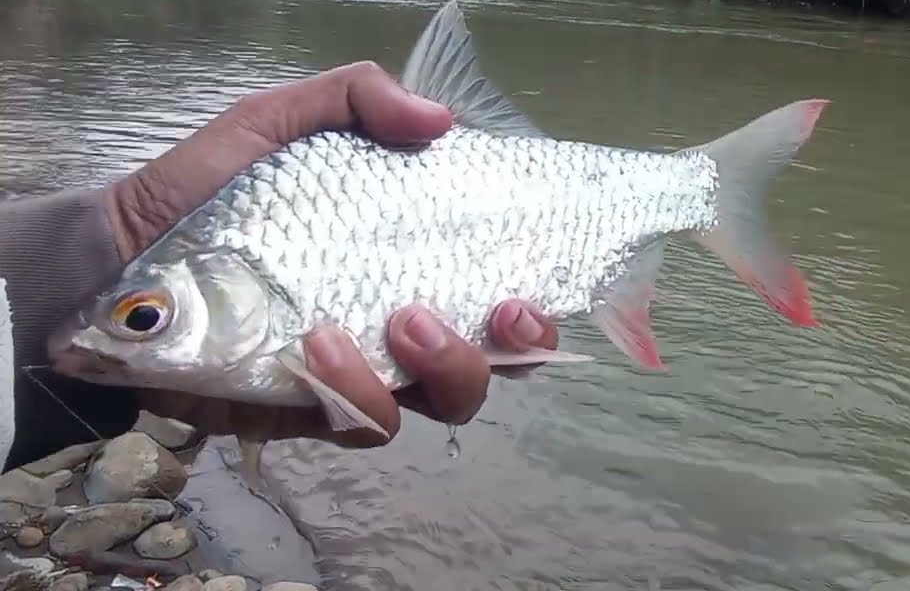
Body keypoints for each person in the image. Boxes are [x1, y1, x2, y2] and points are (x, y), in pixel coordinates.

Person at [0, 61, 556, 472]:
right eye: (143, 318)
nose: (134, 326)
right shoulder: (224, 231)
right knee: (506, 337)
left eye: (144, 317)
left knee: (510, 335)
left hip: (493, 184)